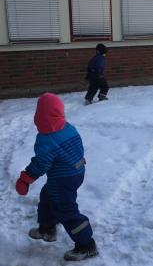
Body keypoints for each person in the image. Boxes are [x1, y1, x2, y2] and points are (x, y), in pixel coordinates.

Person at [15, 93, 98, 261]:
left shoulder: (46, 139)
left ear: (39, 115)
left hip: (63, 178)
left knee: (66, 209)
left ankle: (86, 245)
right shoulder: (68, 127)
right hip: (76, 172)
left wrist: (25, 178)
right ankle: (47, 228)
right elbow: (77, 147)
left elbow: (41, 164)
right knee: (47, 196)